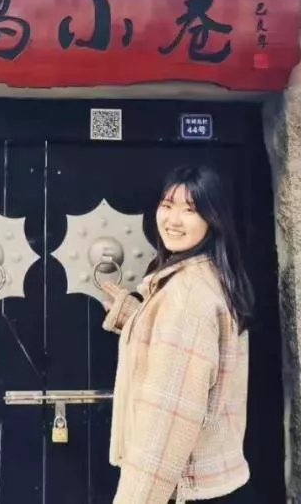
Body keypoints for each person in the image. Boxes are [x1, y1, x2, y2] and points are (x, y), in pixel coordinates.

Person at [99, 164, 255, 504]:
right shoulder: (210, 278)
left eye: (190, 210)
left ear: (213, 218)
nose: (173, 220)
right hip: (210, 482)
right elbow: (190, 357)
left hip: (179, 489)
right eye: (167, 205)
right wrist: (135, 317)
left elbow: (168, 420)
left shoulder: (185, 298)